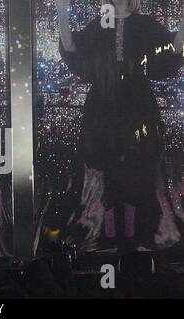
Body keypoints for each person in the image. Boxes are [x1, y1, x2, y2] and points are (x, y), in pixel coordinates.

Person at [56, 0, 184, 249]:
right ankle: (110, 236)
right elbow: (72, 47)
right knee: (105, 171)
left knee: (139, 171)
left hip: (136, 109)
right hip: (104, 108)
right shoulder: (100, 24)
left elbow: (171, 53)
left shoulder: (145, 25)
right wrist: (61, 10)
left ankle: (138, 237)